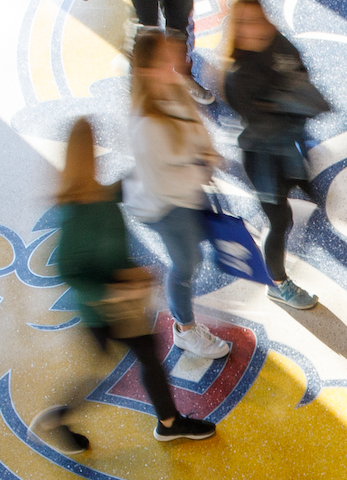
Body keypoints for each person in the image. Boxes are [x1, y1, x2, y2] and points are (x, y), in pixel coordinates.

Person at [32, 119, 216, 449]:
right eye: (91, 150)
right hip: (102, 309)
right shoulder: (75, 214)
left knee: (142, 357)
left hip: (120, 300)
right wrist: (112, 290)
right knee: (109, 368)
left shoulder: (101, 195)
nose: (98, 155)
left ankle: (168, 422)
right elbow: (65, 271)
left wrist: (176, 158)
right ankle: (59, 418)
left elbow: (137, 180)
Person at [123, 30, 232, 361]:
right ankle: (184, 330)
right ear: (144, 70)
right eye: (164, 61)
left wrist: (209, 154)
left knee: (197, 249)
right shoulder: (145, 126)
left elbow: (196, 129)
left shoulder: (173, 89)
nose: (174, 64)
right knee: (186, 265)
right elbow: (160, 185)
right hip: (164, 207)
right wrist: (200, 171)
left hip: (187, 192)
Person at [223, 0, 328, 310]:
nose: (255, 28)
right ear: (236, 29)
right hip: (263, 158)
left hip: (288, 145)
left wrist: (291, 94)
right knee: (280, 221)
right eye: (245, 23)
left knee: (297, 181)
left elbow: (300, 71)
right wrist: (287, 97)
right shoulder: (237, 74)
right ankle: (277, 282)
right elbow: (260, 114)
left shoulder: (278, 42)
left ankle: (301, 184)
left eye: (257, 18)